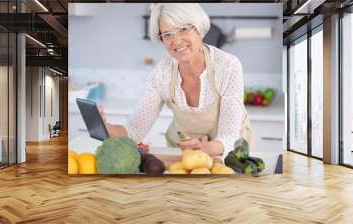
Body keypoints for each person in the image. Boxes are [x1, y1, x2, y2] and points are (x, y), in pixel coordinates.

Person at [100, 3, 252, 159]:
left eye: (183, 29)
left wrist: (202, 148)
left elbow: (228, 137)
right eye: (167, 34)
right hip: (185, 152)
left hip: (230, 153)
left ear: (199, 29)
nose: (176, 40)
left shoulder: (227, 66)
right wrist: (104, 126)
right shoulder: (162, 72)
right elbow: (135, 131)